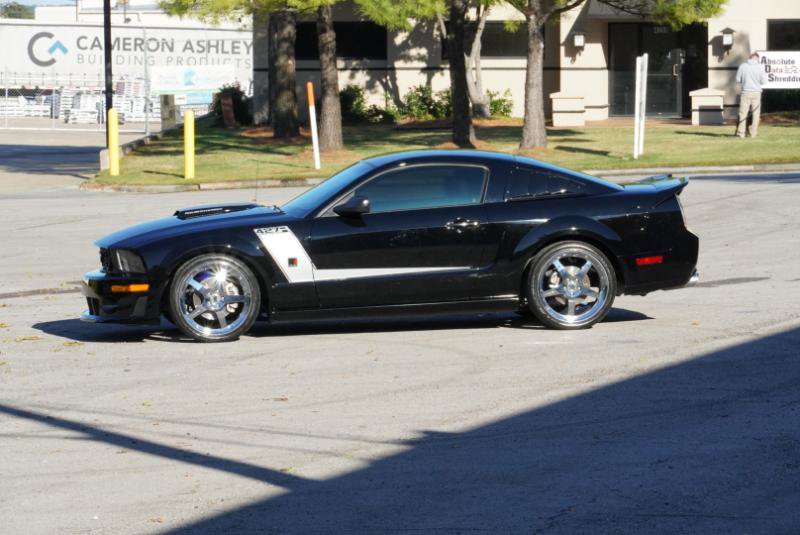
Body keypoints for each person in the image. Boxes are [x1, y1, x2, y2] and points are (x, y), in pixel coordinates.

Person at [735, 52, 767, 138]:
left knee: (743, 113)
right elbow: (764, 82)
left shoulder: (743, 66)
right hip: (757, 93)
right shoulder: (760, 67)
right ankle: (753, 133)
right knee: (756, 114)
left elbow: (738, 79)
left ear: (750, 58)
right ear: (757, 59)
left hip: (745, 92)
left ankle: (741, 133)